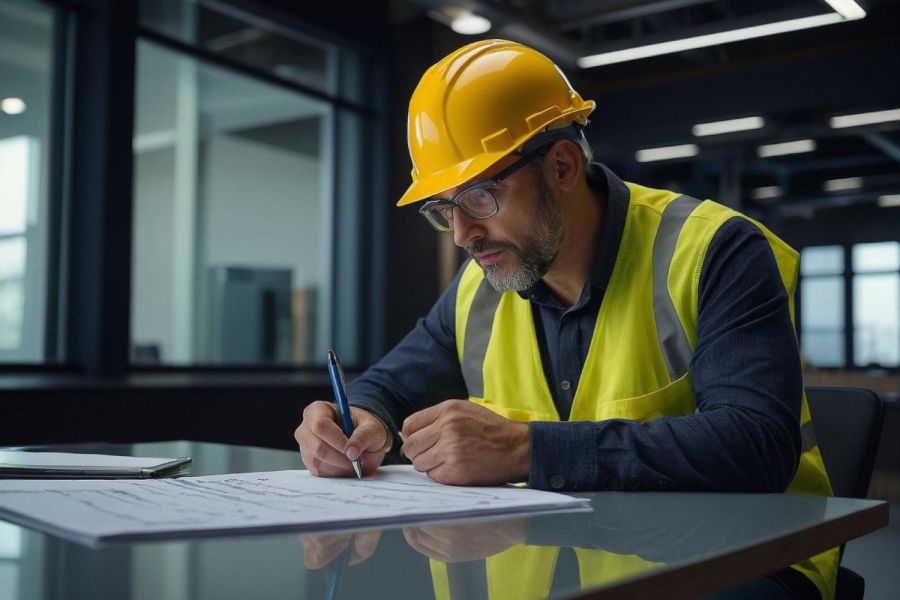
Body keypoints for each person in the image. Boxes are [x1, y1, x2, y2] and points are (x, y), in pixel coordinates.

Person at [294, 39, 836, 599]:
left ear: (561, 166)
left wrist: (526, 449)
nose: (461, 235)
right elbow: (388, 387)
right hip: (555, 565)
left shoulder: (714, 251)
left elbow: (756, 446)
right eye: (443, 210)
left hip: (737, 559)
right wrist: (356, 419)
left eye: (478, 198)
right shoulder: (481, 289)